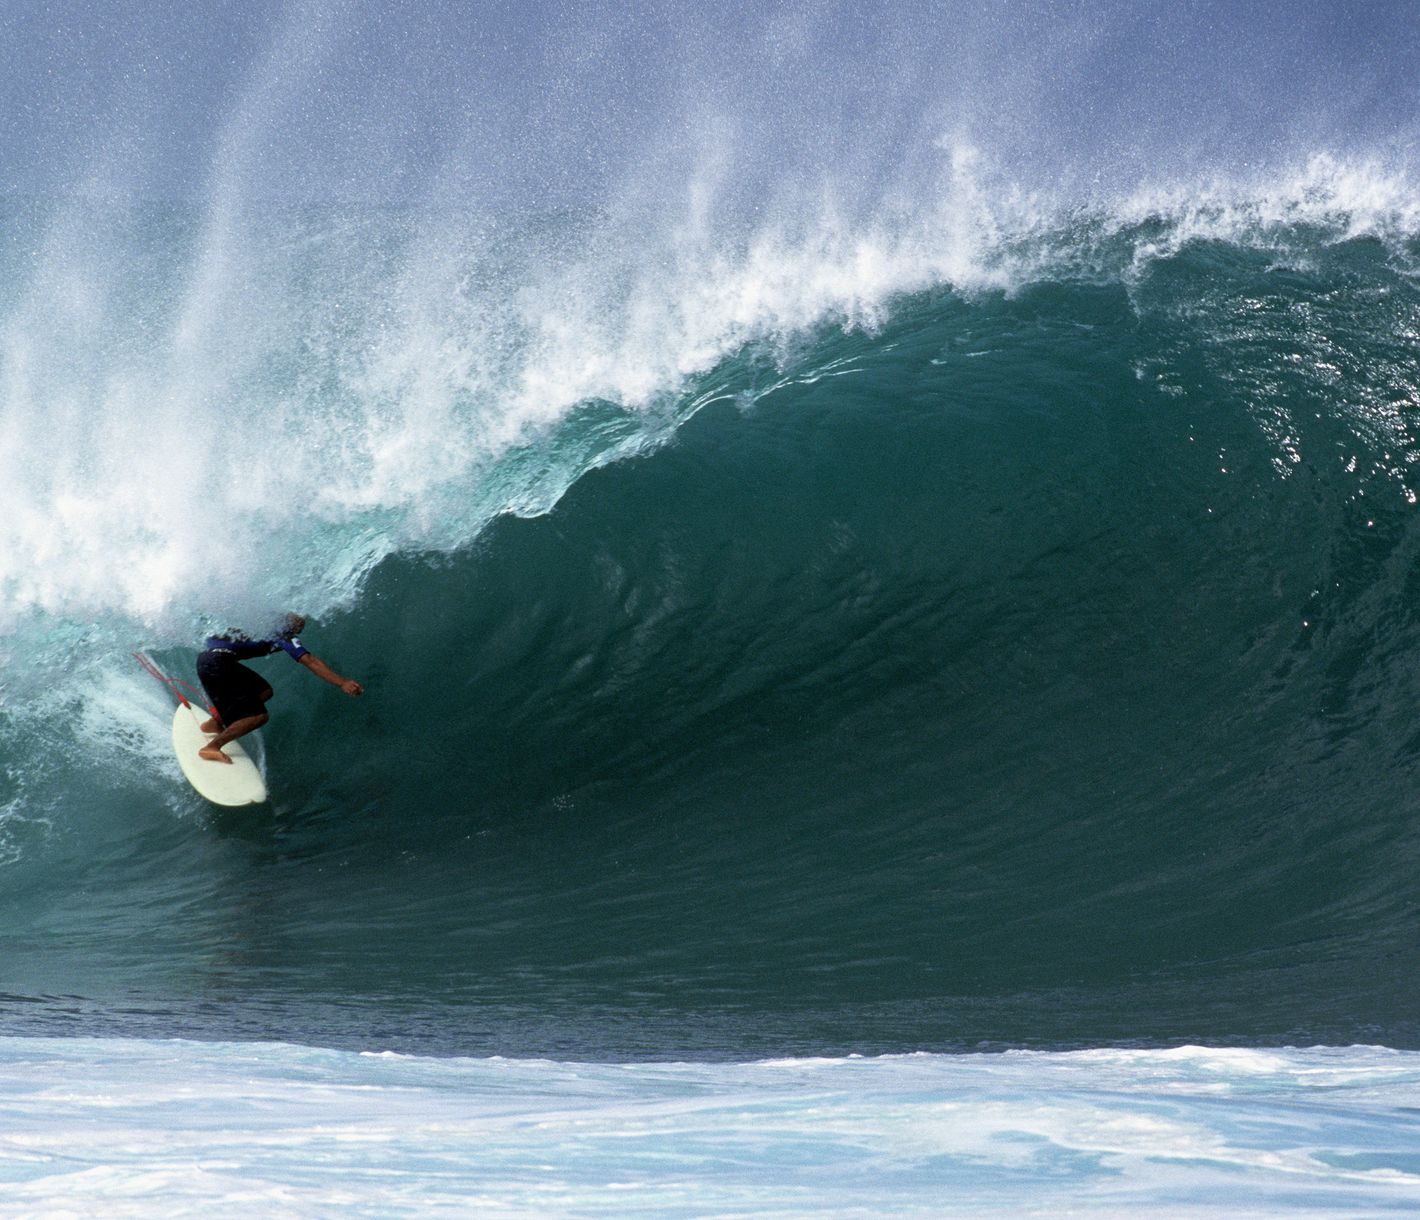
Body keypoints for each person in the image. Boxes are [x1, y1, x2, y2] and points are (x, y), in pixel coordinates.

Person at [195, 613, 363, 764]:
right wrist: (343, 683)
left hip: (209, 660)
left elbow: (216, 638)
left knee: (263, 691)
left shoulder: (260, 626)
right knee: (259, 717)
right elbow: (310, 661)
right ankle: (212, 747)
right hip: (218, 664)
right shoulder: (284, 635)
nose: (302, 623)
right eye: (299, 620)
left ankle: (215, 723)